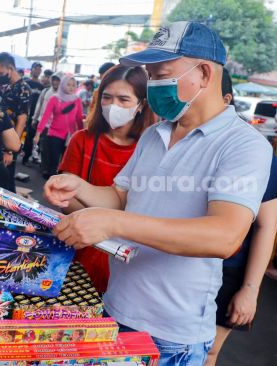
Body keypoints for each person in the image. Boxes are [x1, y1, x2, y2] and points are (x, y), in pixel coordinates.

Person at [44, 22, 272, 365]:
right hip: (116, 307)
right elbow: (122, 198)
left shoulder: (242, 145)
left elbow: (224, 235)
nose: (152, 86)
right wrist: (81, 188)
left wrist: (112, 223)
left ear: (205, 74)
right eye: (149, 75)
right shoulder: (154, 135)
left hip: (170, 334)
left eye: (161, 74)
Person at [58, 65, 155, 293]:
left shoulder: (149, 149)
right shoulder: (81, 140)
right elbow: (66, 200)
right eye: (107, 97)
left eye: (123, 99)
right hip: (78, 248)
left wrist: (103, 221)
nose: (113, 106)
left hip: (127, 258)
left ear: (141, 105)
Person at [205, 68, 277, 366]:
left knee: (208, 351)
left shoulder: (252, 149)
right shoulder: (167, 139)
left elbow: (266, 224)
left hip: (228, 270)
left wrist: (250, 289)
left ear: (227, 99)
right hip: (170, 274)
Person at [34, 75, 83, 179]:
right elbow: (45, 117)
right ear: (63, 85)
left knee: (66, 161)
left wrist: (81, 135)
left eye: (73, 85)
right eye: (68, 84)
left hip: (70, 136)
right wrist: (38, 133)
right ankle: (51, 180)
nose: (71, 87)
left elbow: (79, 119)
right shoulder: (54, 98)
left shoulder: (77, 100)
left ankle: (61, 181)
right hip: (54, 134)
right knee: (54, 159)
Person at [0, 52, 31, 187]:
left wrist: (10, 150)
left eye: (0, 71)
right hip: (2, 138)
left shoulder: (23, 88)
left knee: (6, 182)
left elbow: (22, 120)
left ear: (9, 67)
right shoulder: (7, 86)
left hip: (10, 143)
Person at [22, 62, 45, 165]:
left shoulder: (42, 87)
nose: (38, 70)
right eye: (36, 68)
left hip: (34, 116)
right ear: (32, 69)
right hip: (24, 113)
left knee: (30, 136)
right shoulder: (25, 83)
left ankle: (26, 158)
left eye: (39, 69)